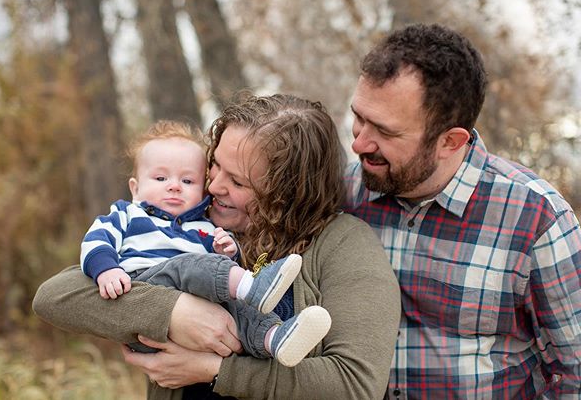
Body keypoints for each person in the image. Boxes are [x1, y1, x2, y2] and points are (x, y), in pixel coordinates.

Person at [33, 94, 401, 399]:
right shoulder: (194, 224)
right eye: (214, 167)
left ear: (288, 193)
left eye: (237, 182)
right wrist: (174, 311)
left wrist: (214, 369)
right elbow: (57, 295)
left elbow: (354, 385)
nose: (212, 188)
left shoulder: (344, 244)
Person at [345, 23, 581, 399]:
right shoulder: (344, 196)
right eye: (358, 116)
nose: (358, 143)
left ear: (450, 141)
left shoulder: (537, 219)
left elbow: (573, 371)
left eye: (385, 132)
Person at [81, 119, 331, 367]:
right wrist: (106, 270)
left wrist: (227, 250)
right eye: (160, 178)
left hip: (201, 319)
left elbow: (216, 271)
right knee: (189, 265)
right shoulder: (127, 214)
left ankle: (274, 338)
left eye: (187, 181)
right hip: (145, 295)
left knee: (237, 309)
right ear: (135, 188)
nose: (174, 187)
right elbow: (96, 242)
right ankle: (253, 285)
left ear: (202, 190)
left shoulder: (204, 225)